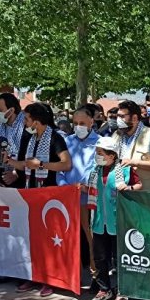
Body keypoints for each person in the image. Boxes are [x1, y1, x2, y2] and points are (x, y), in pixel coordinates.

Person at [7, 103, 72, 296]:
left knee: (47, 239)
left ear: (36, 120)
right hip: (30, 194)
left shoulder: (55, 138)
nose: (25, 122)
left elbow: (66, 164)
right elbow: (25, 164)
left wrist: (42, 164)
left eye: (26, 119)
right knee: (31, 238)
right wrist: (9, 161)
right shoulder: (30, 138)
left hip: (49, 195)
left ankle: (49, 279)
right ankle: (32, 276)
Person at [89, 136, 141, 300]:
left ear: (112, 155)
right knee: (100, 257)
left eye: (100, 153)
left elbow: (138, 184)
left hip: (118, 222)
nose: (97, 156)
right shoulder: (95, 171)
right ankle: (104, 288)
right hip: (99, 222)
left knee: (119, 258)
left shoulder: (124, 170)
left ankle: (123, 289)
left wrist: (130, 188)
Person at [58, 106, 101, 276]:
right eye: (75, 123)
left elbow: (97, 169)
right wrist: (64, 187)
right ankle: (68, 274)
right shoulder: (67, 142)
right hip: (68, 198)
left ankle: (96, 274)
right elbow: (60, 169)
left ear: (92, 121)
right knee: (67, 237)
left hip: (88, 198)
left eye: (82, 123)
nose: (78, 126)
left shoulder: (100, 142)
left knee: (91, 239)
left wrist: (86, 186)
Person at [111, 100, 150, 191]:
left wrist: (135, 162)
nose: (118, 120)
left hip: (143, 198)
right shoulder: (116, 135)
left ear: (134, 118)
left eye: (122, 116)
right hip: (118, 195)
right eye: (118, 116)